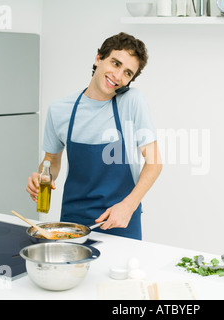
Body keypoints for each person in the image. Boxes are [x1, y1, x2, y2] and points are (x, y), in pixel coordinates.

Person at [26, 32, 162, 240]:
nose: (118, 76)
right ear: (99, 58)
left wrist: (128, 206)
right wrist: (41, 177)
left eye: (127, 73)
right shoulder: (59, 110)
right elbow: (51, 161)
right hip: (73, 223)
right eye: (115, 63)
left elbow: (154, 162)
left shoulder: (132, 102)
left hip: (121, 222)